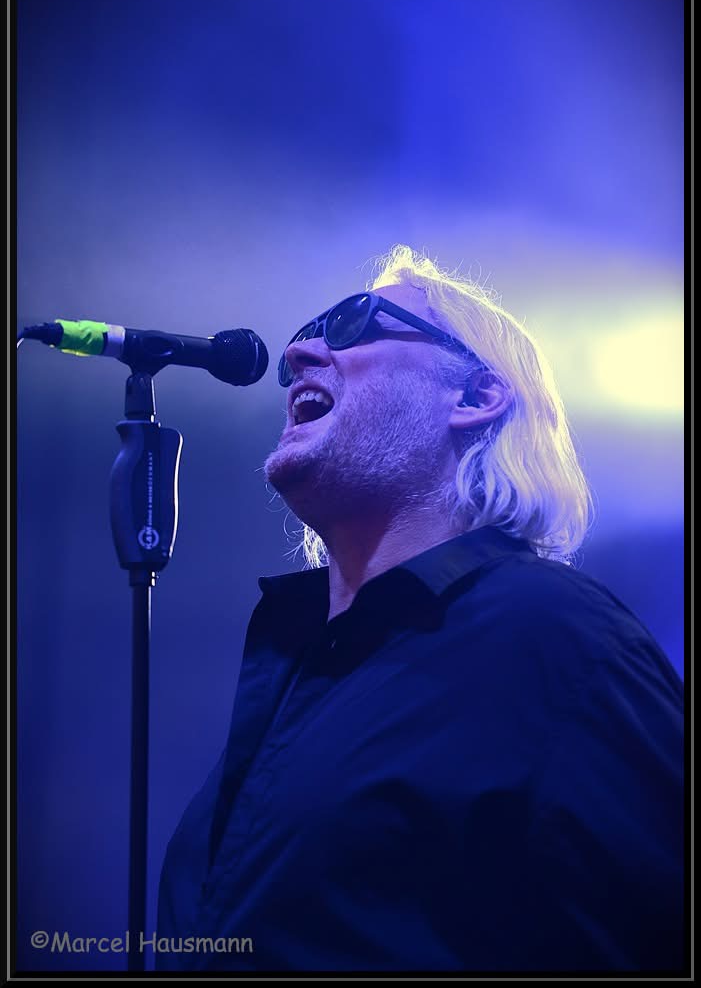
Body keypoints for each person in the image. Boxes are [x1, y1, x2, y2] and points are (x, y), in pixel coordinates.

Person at [156, 245, 685, 973]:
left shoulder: (555, 636)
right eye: (309, 332)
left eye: (356, 323)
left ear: (474, 397)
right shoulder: (298, 667)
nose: (299, 352)